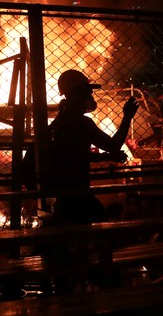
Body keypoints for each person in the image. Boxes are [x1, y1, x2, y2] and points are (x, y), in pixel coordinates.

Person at [46, 69, 139, 225]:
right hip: (76, 191)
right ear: (76, 94)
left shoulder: (61, 120)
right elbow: (113, 145)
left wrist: (106, 157)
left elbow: (74, 154)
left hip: (62, 189)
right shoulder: (81, 123)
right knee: (98, 222)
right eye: (87, 92)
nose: (90, 96)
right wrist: (127, 117)